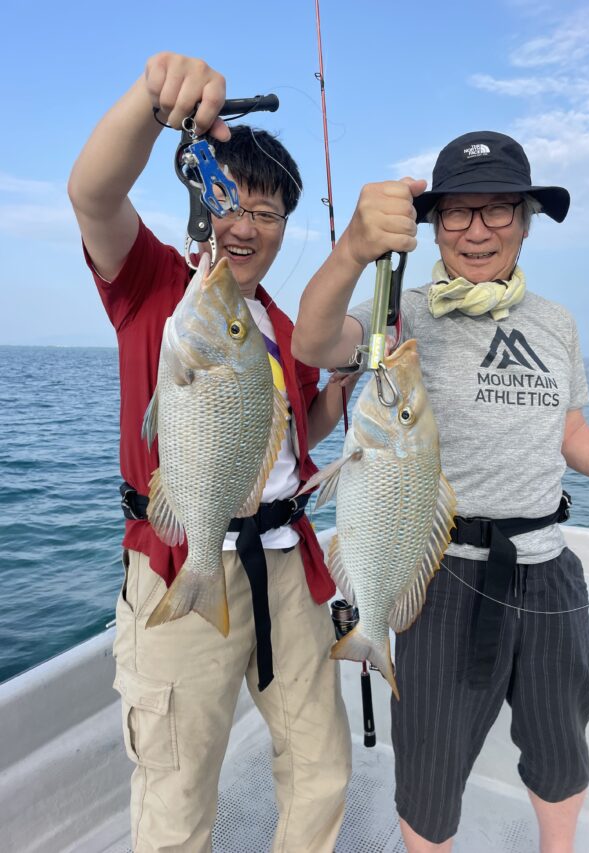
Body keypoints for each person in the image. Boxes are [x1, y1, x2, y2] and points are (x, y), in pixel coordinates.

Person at [291, 130, 589, 853]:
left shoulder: (556, 323)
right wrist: (354, 248)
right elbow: (315, 344)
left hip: (549, 572)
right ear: (432, 224)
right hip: (440, 571)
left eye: (499, 210)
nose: (477, 229)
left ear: (525, 219)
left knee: (561, 751)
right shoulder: (402, 315)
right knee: (429, 767)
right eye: (457, 213)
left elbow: (570, 434)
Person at [68, 52, 355, 853]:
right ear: (202, 199)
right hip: (179, 554)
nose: (246, 225)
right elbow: (93, 192)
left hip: (289, 565)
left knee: (321, 765)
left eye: (269, 213)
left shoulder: (286, 325)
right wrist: (153, 103)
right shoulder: (156, 285)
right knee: (178, 785)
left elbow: (298, 438)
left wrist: (343, 386)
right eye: (234, 202)